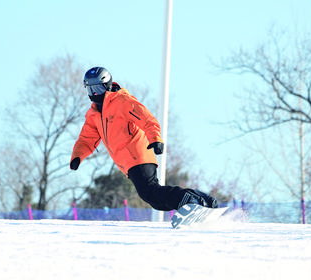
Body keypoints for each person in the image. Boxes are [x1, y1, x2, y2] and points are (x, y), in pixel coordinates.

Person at [70, 66, 219, 212]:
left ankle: (190, 201)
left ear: (107, 85)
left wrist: (155, 139)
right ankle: (201, 200)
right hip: (128, 163)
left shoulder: (122, 101)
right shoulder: (93, 114)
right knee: (154, 198)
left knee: (151, 193)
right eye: (90, 89)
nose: (95, 94)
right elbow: (86, 139)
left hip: (138, 155)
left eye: (98, 89)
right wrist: (77, 156)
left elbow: (146, 119)